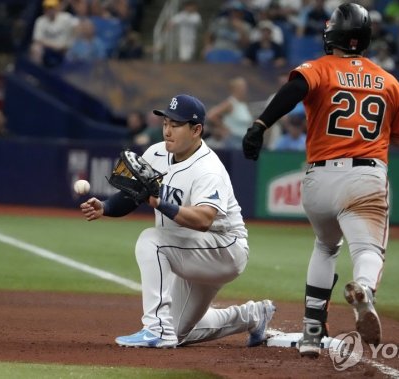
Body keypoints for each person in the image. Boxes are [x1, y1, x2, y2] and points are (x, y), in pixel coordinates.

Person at [242, 3, 399, 357]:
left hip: (318, 179)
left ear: (331, 35)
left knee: (325, 247)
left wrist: (261, 125)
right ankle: (364, 289)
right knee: (367, 250)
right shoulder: (389, 81)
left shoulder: (320, 68)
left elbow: (293, 91)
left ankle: (310, 333)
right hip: (365, 175)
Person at [80, 94, 275, 348]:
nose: (168, 130)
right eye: (165, 123)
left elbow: (205, 219)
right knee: (180, 332)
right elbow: (133, 195)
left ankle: (156, 329)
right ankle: (252, 315)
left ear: (196, 130)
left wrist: (161, 202)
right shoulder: (156, 153)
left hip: (223, 249)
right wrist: (105, 207)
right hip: (186, 248)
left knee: (151, 241)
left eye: (176, 125)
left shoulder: (208, 169)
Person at [206, 76, 253, 149]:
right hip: (233, 141)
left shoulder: (242, 104)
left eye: (245, 86)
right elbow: (211, 115)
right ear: (235, 89)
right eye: (242, 87)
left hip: (243, 140)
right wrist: (224, 128)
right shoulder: (230, 103)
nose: (245, 89)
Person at [30, 0, 79, 68]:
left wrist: (70, 43)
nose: (50, 10)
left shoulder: (65, 17)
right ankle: (36, 71)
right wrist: (55, 47)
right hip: (48, 50)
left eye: (52, 8)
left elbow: (77, 27)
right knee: (35, 48)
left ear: (57, 8)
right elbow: (37, 40)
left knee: (75, 49)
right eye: (47, 8)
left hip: (64, 50)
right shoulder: (40, 20)